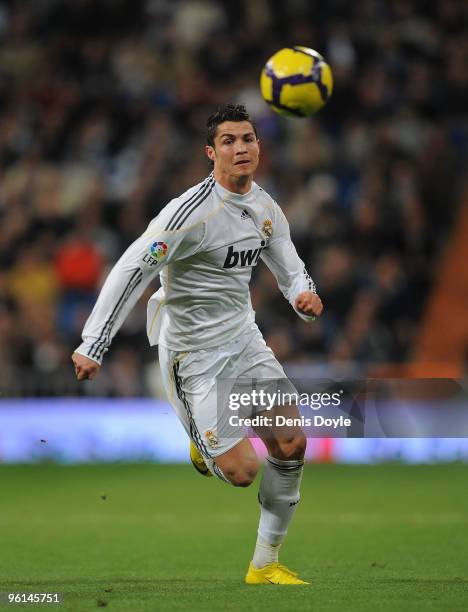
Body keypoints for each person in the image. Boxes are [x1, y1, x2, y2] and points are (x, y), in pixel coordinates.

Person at [72, 104, 323, 585]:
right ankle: (201, 443)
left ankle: (264, 565)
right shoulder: (190, 214)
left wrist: (301, 295)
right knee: (243, 471)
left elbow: (288, 263)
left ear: (258, 146)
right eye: (228, 141)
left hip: (245, 340)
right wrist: (94, 343)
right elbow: (131, 268)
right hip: (195, 357)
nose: (241, 148)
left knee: (291, 443)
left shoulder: (265, 207)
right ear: (211, 153)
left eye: (247, 138)